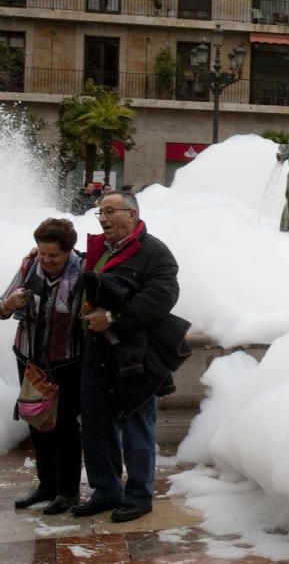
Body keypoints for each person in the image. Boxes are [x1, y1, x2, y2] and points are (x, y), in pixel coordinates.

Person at [70, 191, 180, 523]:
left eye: (109, 211)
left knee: (137, 427)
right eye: (99, 212)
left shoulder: (155, 253)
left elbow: (163, 297)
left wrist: (115, 318)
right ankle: (105, 492)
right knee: (95, 426)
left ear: (131, 215)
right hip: (96, 352)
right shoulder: (98, 250)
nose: (102, 218)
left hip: (135, 357)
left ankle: (139, 496)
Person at [1, 218, 85, 515]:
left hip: (68, 360)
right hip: (29, 358)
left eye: (53, 255)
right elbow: (1, 307)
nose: (46, 260)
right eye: (42, 253)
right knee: (37, 421)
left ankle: (69, 491)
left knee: (64, 425)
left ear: (68, 251)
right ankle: (46, 484)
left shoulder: (84, 272)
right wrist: (9, 304)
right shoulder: (28, 267)